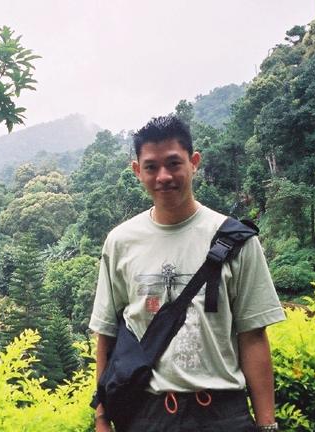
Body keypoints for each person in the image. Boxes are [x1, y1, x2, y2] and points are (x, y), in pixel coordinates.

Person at [89, 115, 285, 432]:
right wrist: (101, 419)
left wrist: (267, 426)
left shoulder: (236, 239)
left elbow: (253, 337)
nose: (164, 176)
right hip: (146, 416)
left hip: (223, 415)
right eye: (151, 167)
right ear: (137, 170)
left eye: (174, 163)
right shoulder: (120, 242)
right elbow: (107, 336)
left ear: (194, 163)